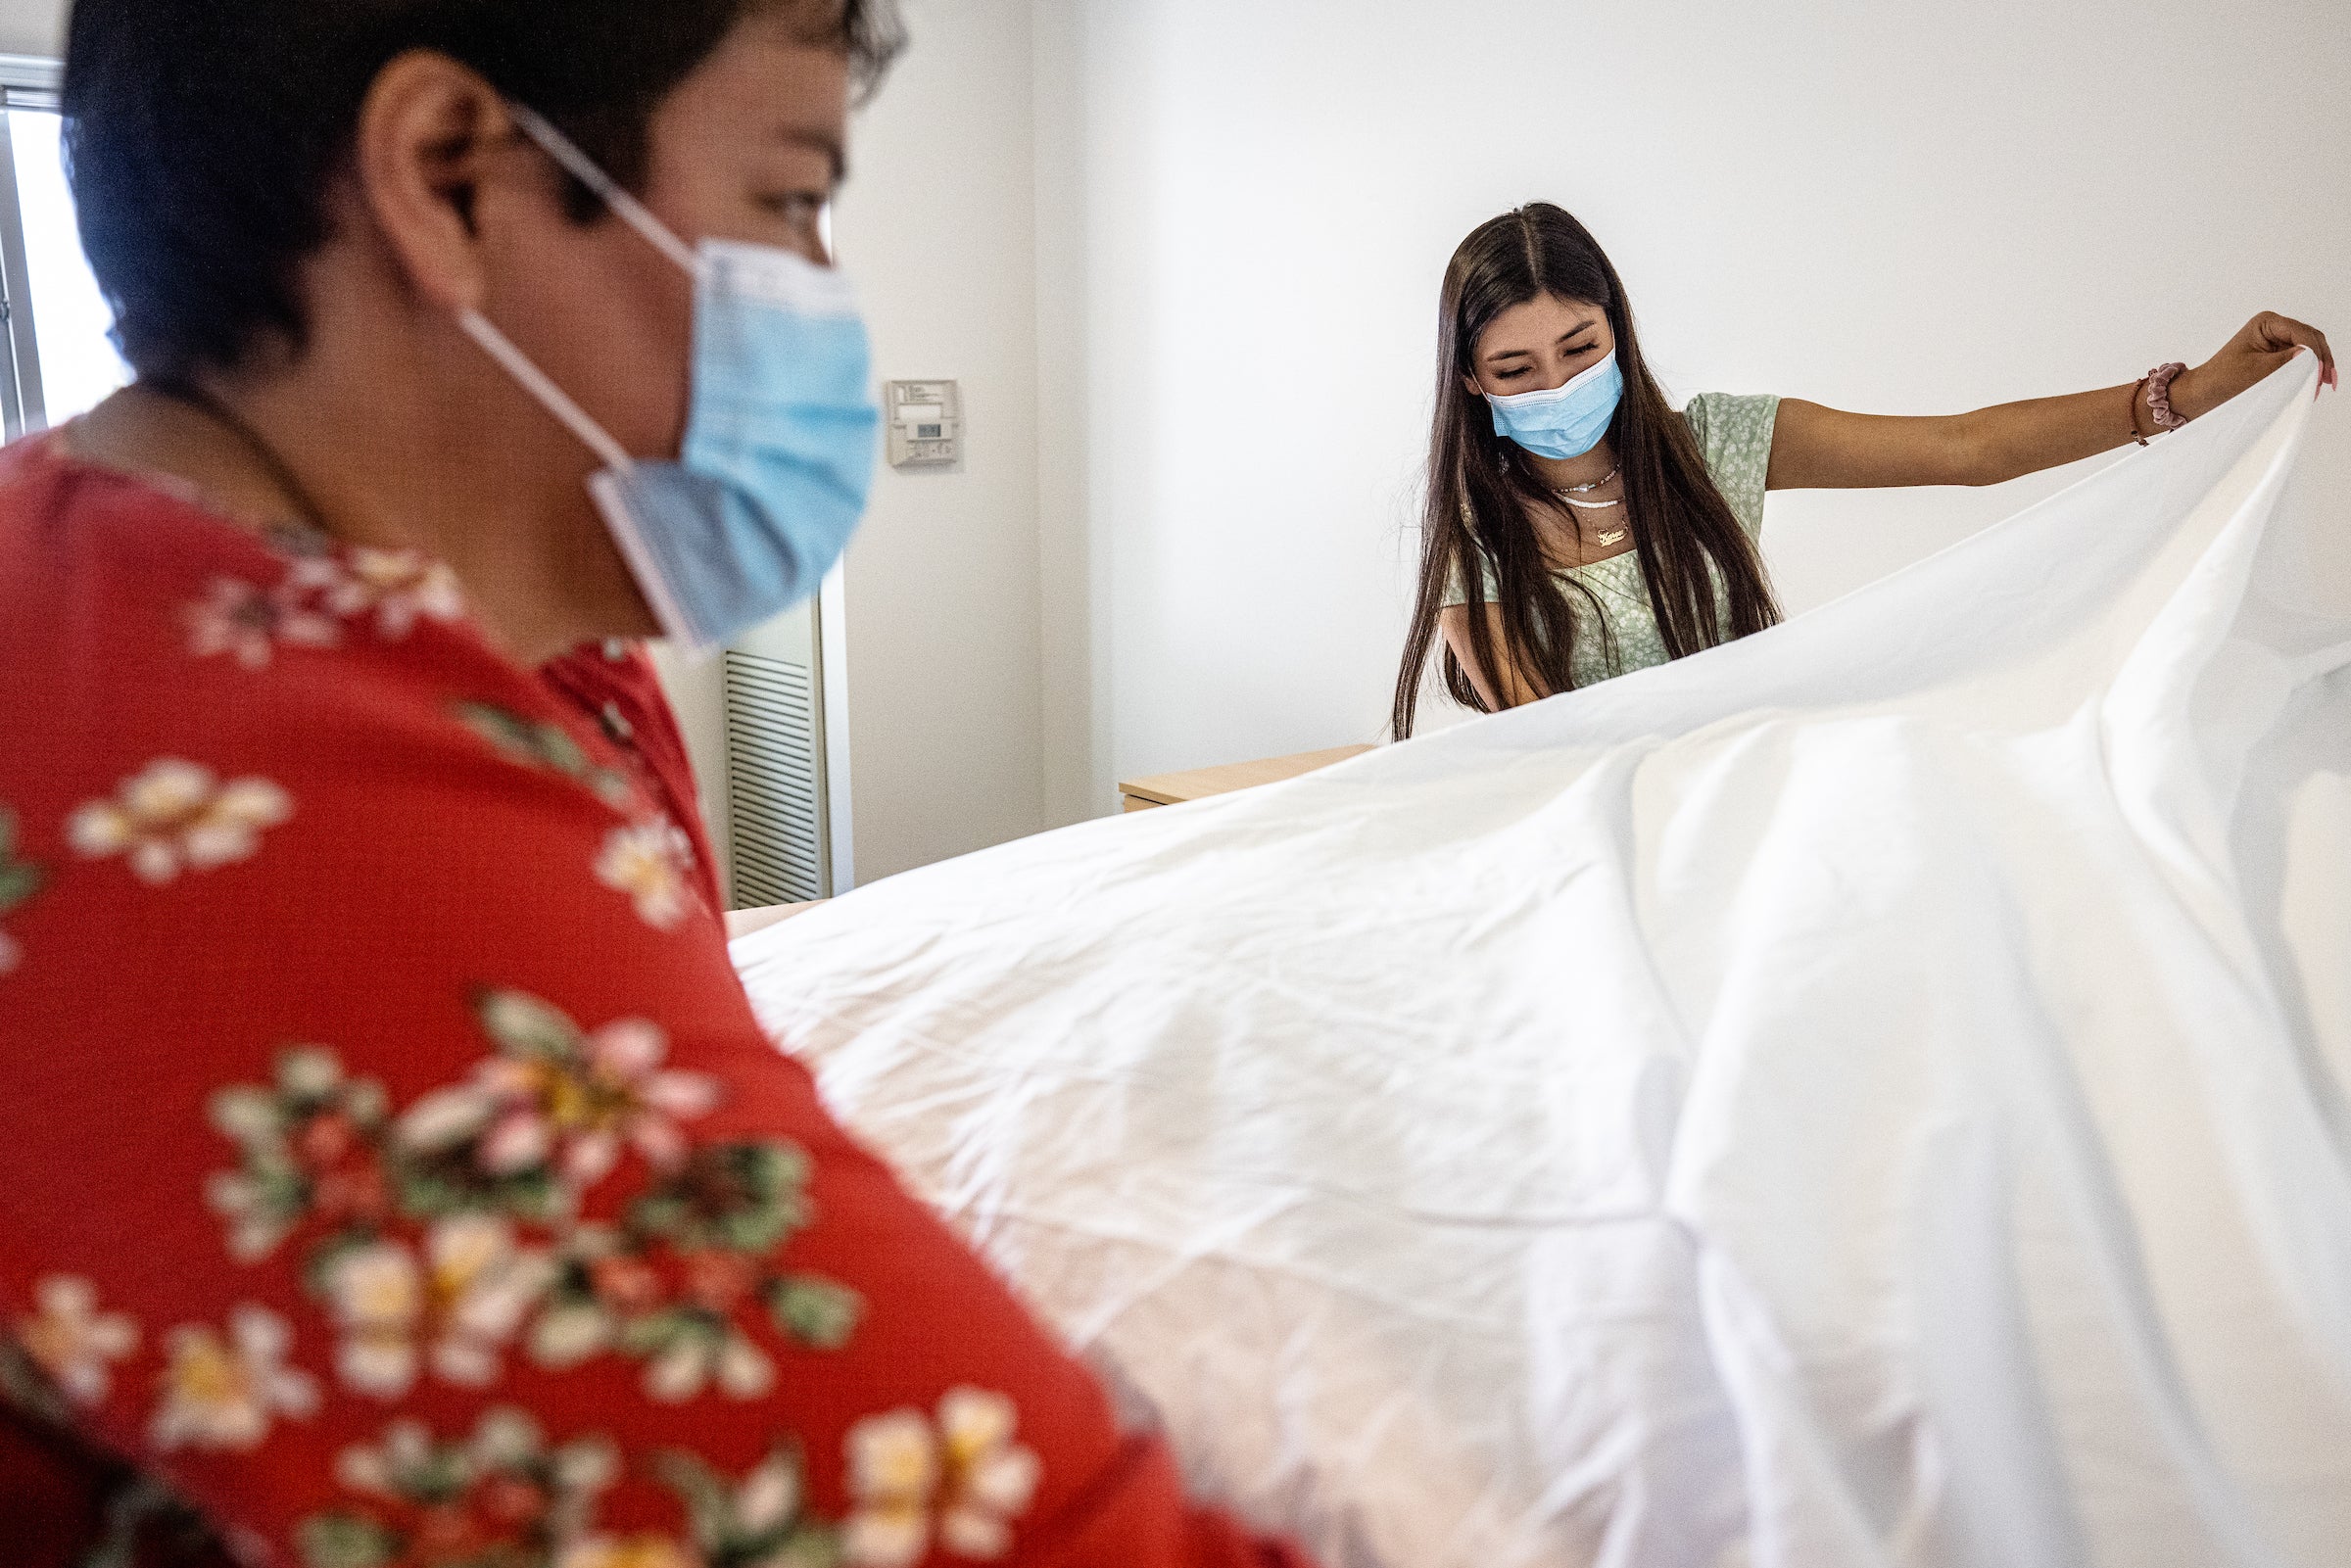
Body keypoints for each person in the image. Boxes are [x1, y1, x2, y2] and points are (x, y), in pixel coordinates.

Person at [0, 3, 1315, 1566]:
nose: (829, 298)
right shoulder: (267, 811)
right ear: (449, 174)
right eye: (788, 201)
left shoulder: (481, 639)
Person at [1393, 202, 2335, 736]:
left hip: (1765, 778)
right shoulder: (1474, 534)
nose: (1555, 383)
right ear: (1472, 380)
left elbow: (1966, 449)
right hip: (1608, 836)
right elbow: (1545, 748)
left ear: (1619, 334)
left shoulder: (1714, 444)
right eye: (1517, 370)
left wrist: (2182, 397)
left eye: (1579, 348)